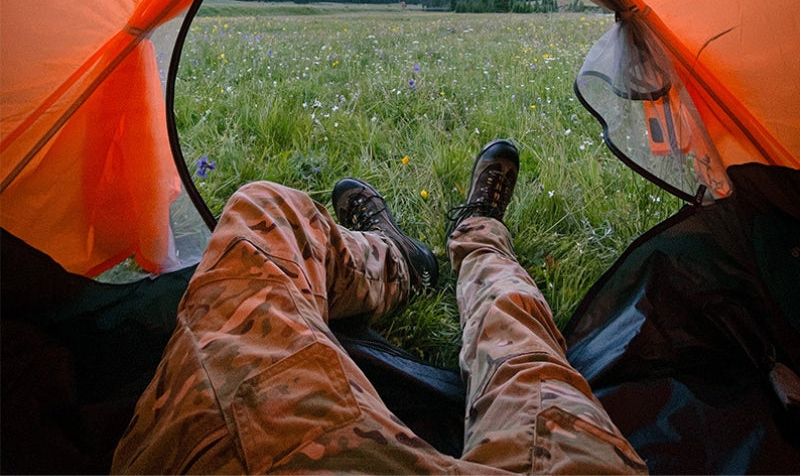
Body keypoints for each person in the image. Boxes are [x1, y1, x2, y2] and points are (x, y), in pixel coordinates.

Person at [113, 140, 647, 474]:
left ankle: (400, 263)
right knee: (527, 358)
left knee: (263, 208)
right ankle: (477, 236)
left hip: (239, 446)